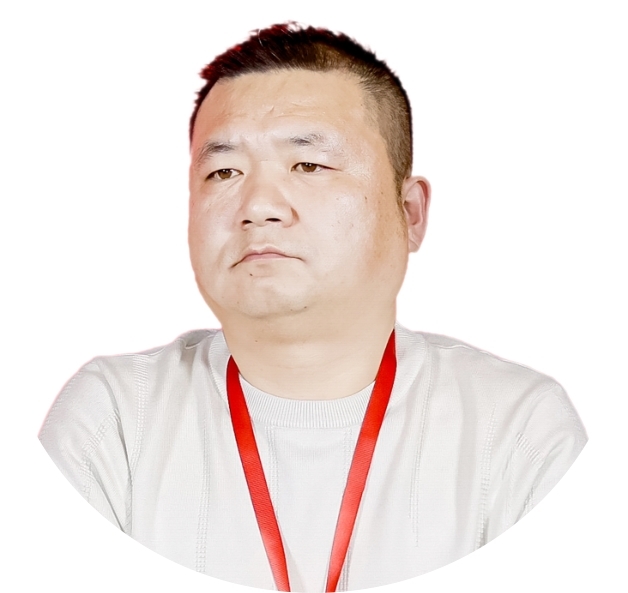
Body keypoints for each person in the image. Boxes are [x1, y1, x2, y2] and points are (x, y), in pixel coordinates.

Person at [38, 23, 587, 593]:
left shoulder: (518, 430)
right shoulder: (112, 422)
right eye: (223, 171)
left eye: (308, 165)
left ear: (410, 213)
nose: (259, 206)